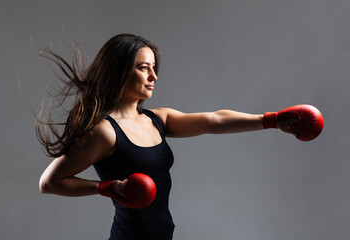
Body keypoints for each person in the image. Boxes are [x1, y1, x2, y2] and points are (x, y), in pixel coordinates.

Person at [37, 33, 319, 240]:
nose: (153, 76)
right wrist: (105, 187)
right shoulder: (104, 132)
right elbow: (49, 182)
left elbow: (213, 120)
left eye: (154, 67)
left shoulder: (157, 119)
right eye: (143, 67)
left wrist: (270, 120)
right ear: (119, 71)